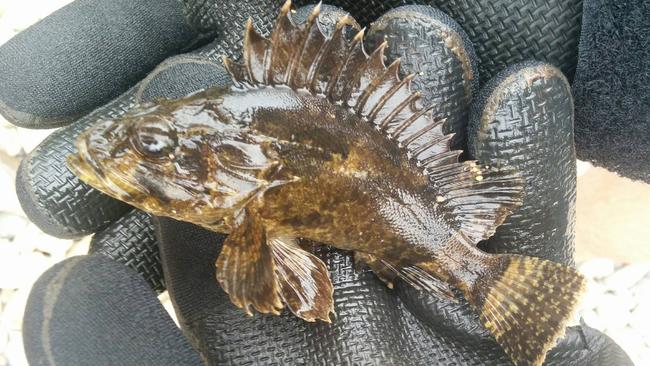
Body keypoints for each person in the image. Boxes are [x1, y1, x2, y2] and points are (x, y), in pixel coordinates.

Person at [0, 0, 635, 364]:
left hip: (430, 229)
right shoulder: (246, 178)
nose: (125, 154)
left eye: (154, 146)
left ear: (231, 165)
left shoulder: (250, 204)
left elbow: (265, 268)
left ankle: (495, 278)